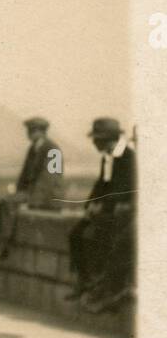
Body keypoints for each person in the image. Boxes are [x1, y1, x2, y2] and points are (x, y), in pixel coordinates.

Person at [69, 117, 136, 311]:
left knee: (101, 239)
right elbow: (100, 184)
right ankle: (85, 281)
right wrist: (90, 204)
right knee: (75, 235)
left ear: (106, 139)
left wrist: (103, 206)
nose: (94, 143)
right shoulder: (107, 157)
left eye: (96, 139)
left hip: (119, 212)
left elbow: (124, 190)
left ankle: (98, 286)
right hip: (105, 210)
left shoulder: (128, 157)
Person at [0, 116, 62, 261]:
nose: (29, 133)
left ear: (42, 132)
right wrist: (18, 192)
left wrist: (30, 200)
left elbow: (50, 180)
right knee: (5, 201)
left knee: (8, 204)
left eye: (32, 130)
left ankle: (0, 247)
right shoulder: (33, 148)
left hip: (47, 196)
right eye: (29, 130)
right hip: (31, 193)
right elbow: (24, 176)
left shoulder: (52, 149)